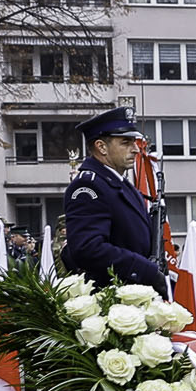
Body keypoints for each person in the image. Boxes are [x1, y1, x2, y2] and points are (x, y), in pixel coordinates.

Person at [62, 107, 166, 292]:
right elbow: (88, 248)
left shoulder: (121, 185)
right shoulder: (88, 186)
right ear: (101, 147)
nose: (135, 149)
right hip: (111, 299)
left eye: (134, 142)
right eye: (126, 142)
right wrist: (144, 270)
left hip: (134, 297)